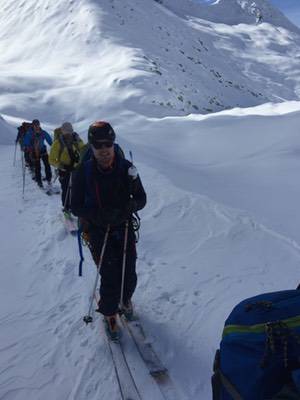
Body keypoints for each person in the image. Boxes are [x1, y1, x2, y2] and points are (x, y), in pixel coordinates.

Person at [71, 121, 146, 340]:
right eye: (98, 145)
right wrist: (97, 216)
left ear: (113, 144)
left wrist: (129, 207)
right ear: (92, 147)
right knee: (110, 274)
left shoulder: (127, 168)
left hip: (123, 228)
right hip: (97, 230)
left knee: (129, 271)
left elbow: (141, 198)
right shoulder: (82, 173)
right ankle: (110, 312)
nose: (104, 150)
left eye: (108, 144)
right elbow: (74, 206)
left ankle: (126, 299)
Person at [49, 122, 84, 211]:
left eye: (70, 131)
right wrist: (62, 166)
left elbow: (83, 151)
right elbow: (51, 160)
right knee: (66, 189)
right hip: (64, 170)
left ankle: (75, 206)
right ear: (62, 131)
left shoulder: (76, 140)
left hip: (76, 169)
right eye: (66, 131)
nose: (68, 133)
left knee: (77, 188)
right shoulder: (57, 143)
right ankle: (66, 207)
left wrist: (79, 141)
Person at [23, 119, 53, 187]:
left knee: (47, 165)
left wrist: (53, 146)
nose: (37, 126)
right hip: (34, 151)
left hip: (42, 150)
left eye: (38, 125)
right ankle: (39, 181)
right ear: (33, 125)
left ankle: (49, 179)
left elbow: (49, 140)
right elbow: (26, 142)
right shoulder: (29, 133)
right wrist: (27, 147)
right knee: (37, 166)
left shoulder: (43, 132)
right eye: (35, 125)